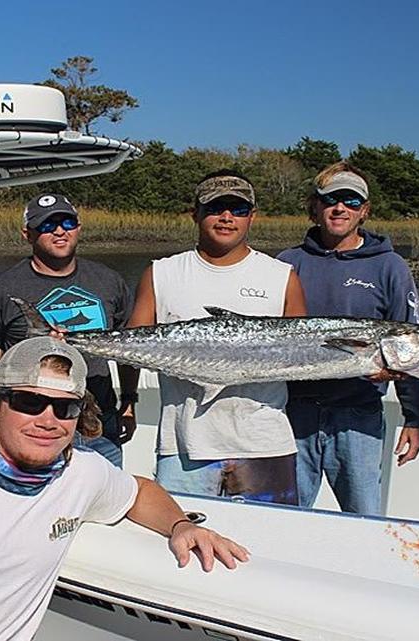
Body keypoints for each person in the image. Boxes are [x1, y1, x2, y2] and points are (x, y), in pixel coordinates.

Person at [0, 336, 248, 641]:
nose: (48, 420)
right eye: (30, 403)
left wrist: (181, 526)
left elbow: (138, 491)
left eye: (65, 407)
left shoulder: (82, 473)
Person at [126, 170, 307, 504]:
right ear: (195, 213)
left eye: (237, 209)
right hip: (184, 446)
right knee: (181, 542)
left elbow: (303, 355)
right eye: (216, 207)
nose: (226, 217)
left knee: (268, 543)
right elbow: (131, 346)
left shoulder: (282, 277)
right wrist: (128, 401)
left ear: (252, 216)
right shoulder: (161, 273)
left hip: (264, 444)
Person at [277, 161, 419, 515]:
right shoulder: (287, 262)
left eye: (350, 200)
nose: (339, 207)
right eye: (330, 199)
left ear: (364, 211)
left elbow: (411, 344)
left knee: (364, 517)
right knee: (284, 517)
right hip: (293, 415)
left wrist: (415, 417)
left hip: (358, 414)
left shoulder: (389, 266)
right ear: (314, 207)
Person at [0, 193, 138, 466]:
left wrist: (129, 400)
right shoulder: (0, 289)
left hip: (98, 419)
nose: (59, 231)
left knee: (103, 500)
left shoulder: (108, 280)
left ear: (78, 227)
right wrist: (33, 357)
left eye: (67, 222)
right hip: (34, 421)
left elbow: (128, 351)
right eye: (47, 225)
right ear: (28, 234)